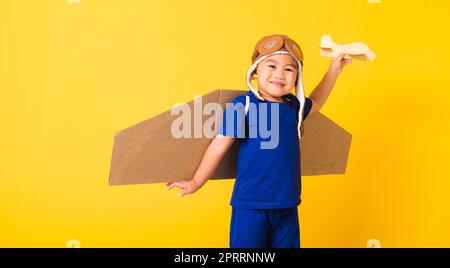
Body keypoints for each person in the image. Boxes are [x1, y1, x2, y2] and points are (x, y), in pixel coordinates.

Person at [167, 34, 352, 248]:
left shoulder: (293, 105)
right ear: (255, 71)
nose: (279, 75)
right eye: (272, 66)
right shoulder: (243, 104)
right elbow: (219, 145)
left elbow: (317, 102)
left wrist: (334, 69)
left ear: (297, 78)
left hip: (287, 204)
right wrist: (196, 182)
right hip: (250, 205)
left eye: (289, 69)